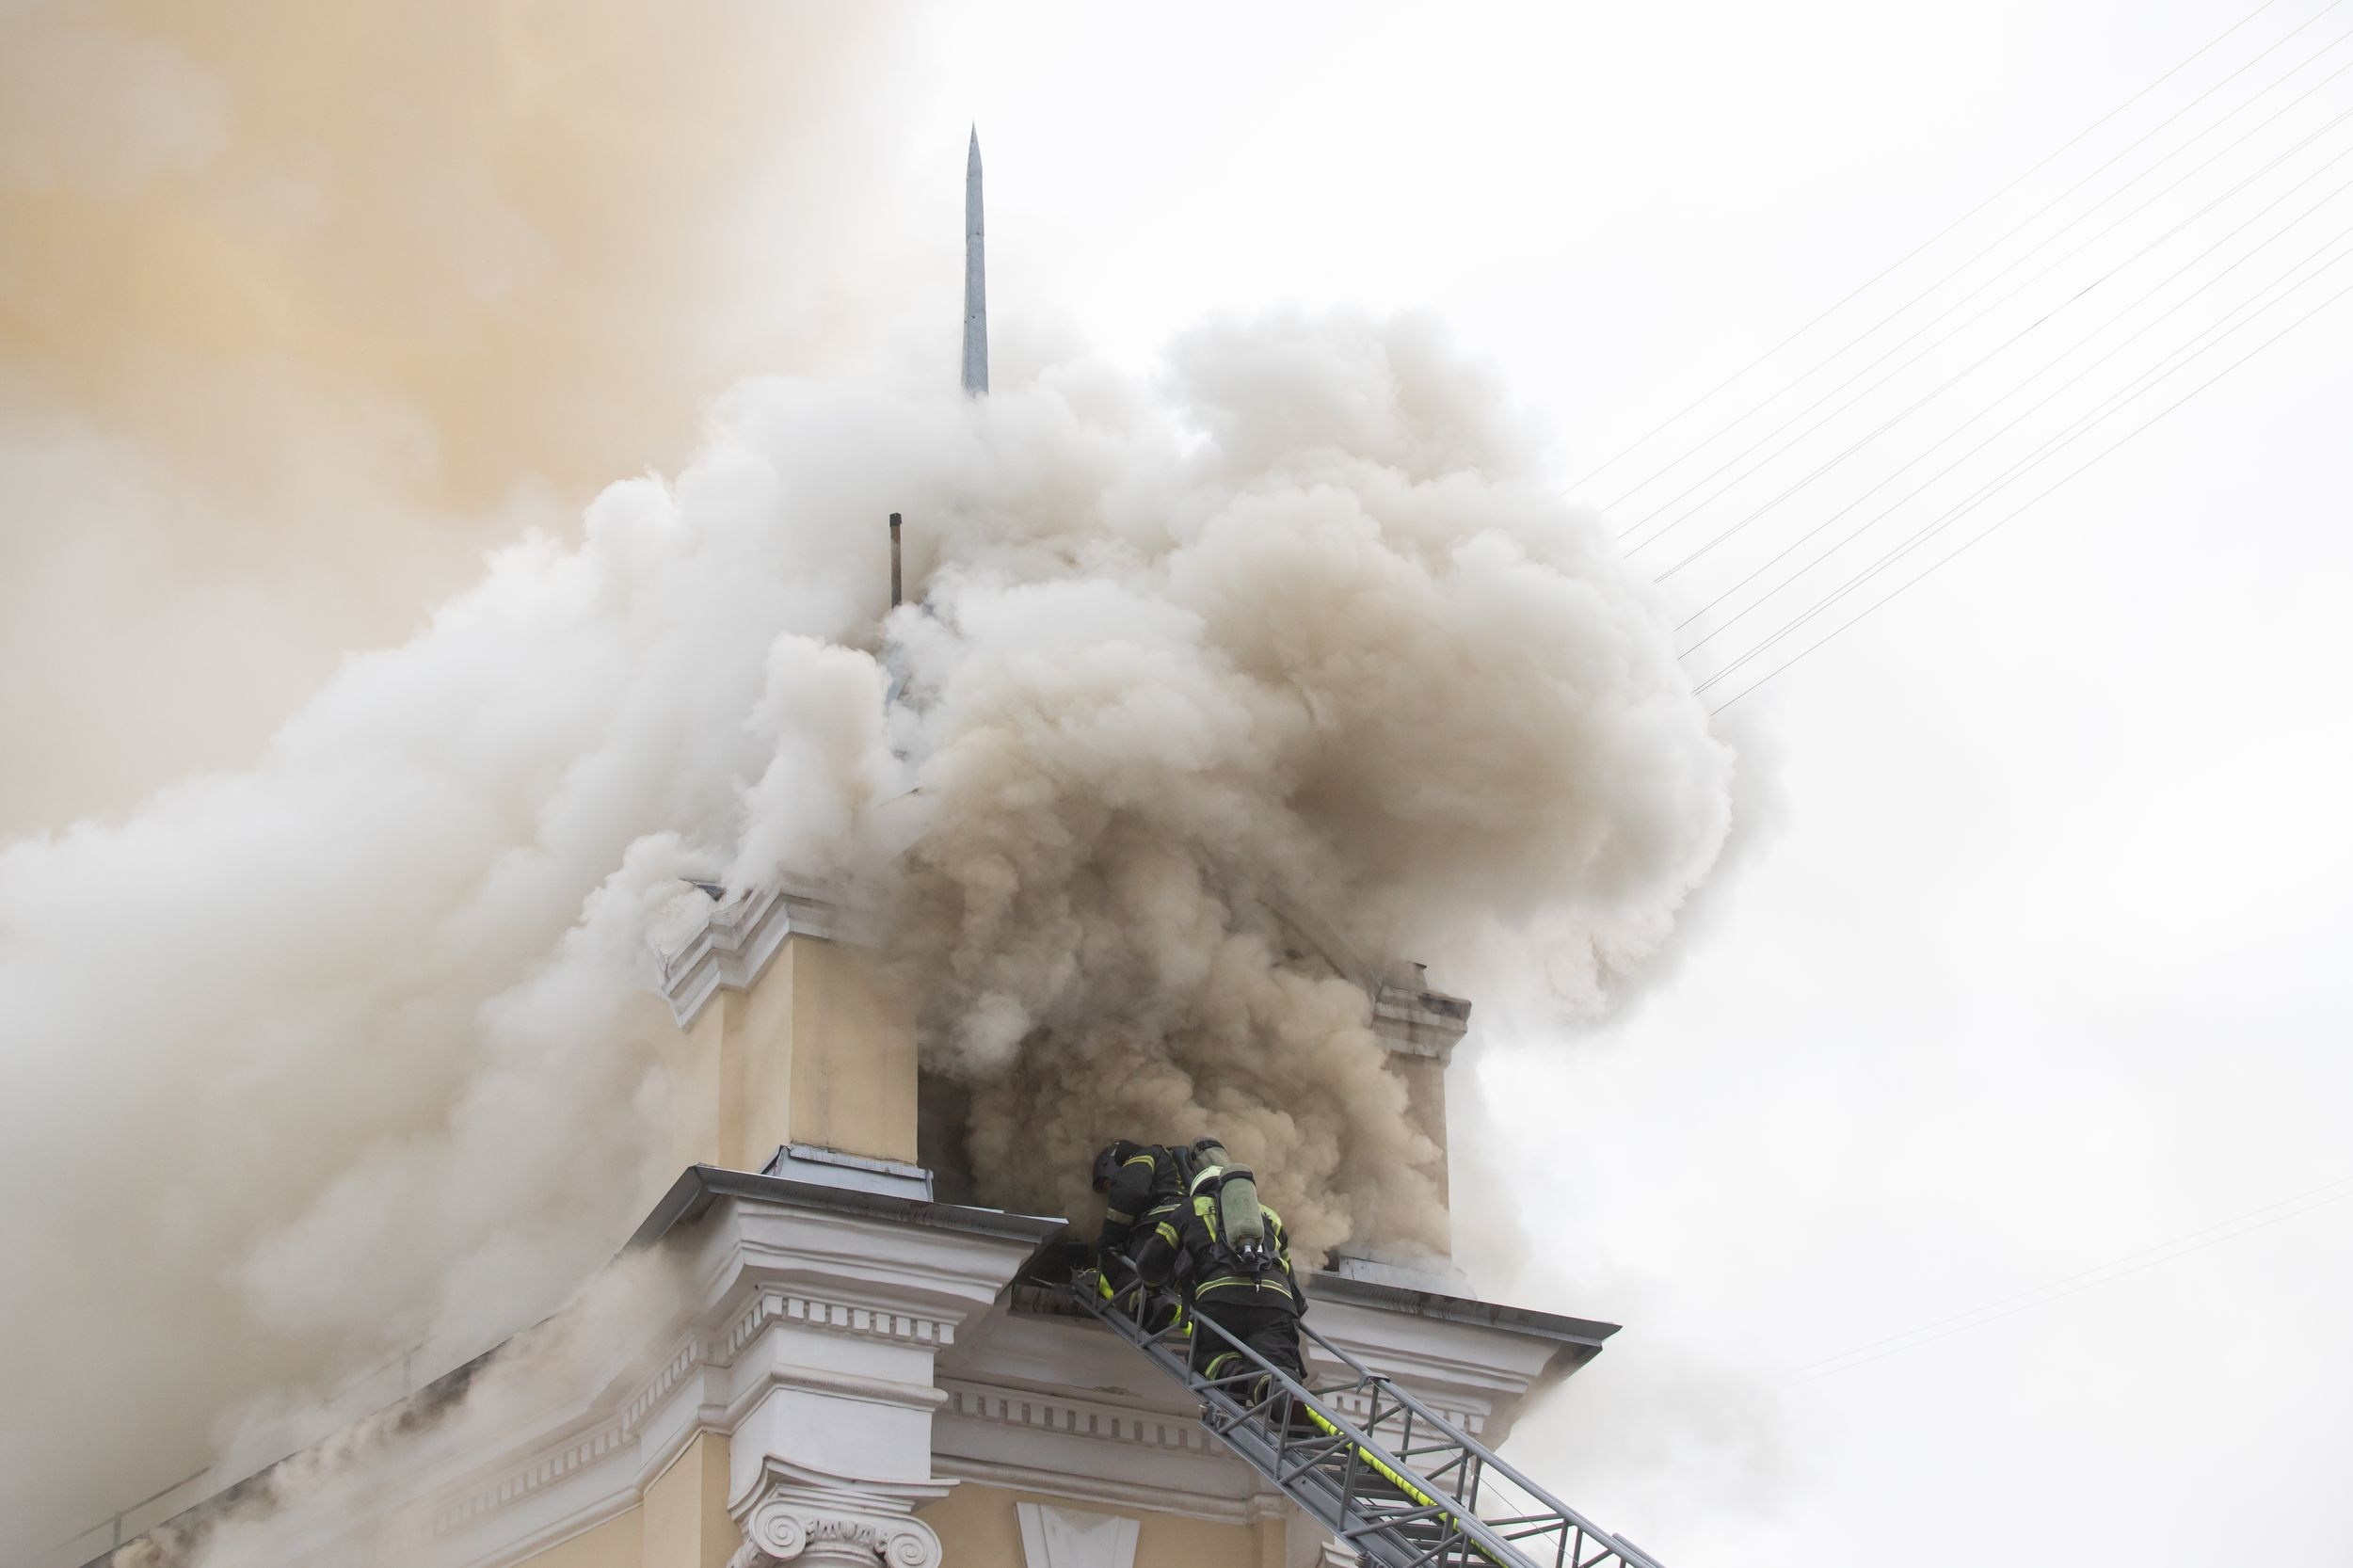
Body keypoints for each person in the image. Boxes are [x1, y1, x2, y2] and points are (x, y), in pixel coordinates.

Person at [1146, 1149, 1306, 1405]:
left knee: (1206, 1354)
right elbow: (1288, 1272)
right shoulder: (1268, 1215)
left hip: (1220, 1301)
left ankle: (1233, 1373)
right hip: (1276, 1304)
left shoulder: (1190, 1209)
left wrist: (1152, 1285)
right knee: (1275, 1361)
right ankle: (1282, 1399)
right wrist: (1290, 1314)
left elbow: (1151, 1262)